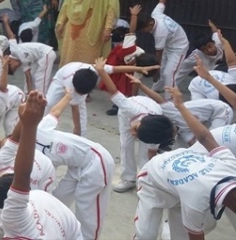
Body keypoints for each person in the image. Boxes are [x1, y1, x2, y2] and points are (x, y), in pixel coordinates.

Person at [134, 87, 236, 240]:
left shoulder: (230, 165)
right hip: (153, 178)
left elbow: (205, 138)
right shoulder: (197, 200)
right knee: (146, 235)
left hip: (182, 175)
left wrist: (180, 105)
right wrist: (179, 106)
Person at [0, 90, 83, 239]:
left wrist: (26, 121)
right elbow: (22, 177)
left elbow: (15, 139)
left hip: (59, 214)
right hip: (61, 215)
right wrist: (29, 124)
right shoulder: (17, 218)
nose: (6, 144)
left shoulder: (6, 159)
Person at [36, 90, 115, 240]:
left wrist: (68, 96)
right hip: (76, 165)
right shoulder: (33, 157)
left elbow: (55, 111)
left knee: (86, 212)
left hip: (96, 161)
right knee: (57, 200)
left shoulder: (38, 128)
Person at [0, 107, 56, 240]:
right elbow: (16, 137)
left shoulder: (5, 160)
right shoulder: (4, 157)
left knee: (34, 208)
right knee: (4, 198)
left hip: (45, 172)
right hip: (28, 172)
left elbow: (18, 136)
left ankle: (8, 228)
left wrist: (26, 119)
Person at [96, 58, 174, 193]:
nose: (133, 134)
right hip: (128, 115)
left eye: (137, 135)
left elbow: (151, 153)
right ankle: (128, 178)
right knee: (126, 145)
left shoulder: (155, 132)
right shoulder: (129, 108)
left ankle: (145, 180)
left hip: (147, 118)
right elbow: (114, 91)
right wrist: (102, 71)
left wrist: (151, 172)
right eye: (135, 131)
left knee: (145, 153)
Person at [137, 0, 189, 95]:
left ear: (150, 23)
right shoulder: (155, 14)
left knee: (169, 73)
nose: (144, 32)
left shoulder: (160, 32)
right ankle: (155, 91)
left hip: (179, 47)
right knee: (163, 68)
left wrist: (155, 71)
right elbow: (161, 2)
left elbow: (158, 55)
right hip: (169, 44)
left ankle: (170, 99)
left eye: (144, 29)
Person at [1, 13, 55, 94]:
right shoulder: (22, 61)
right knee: (34, 76)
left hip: (46, 54)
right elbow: (28, 77)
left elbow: (11, 35)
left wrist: (5, 21)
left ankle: (41, 99)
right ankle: (29, 95)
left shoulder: (14, 50)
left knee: (40, 79)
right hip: (38, 58)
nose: (17, 67)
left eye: (14, 67)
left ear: (10, 61)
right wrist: (29, 92)